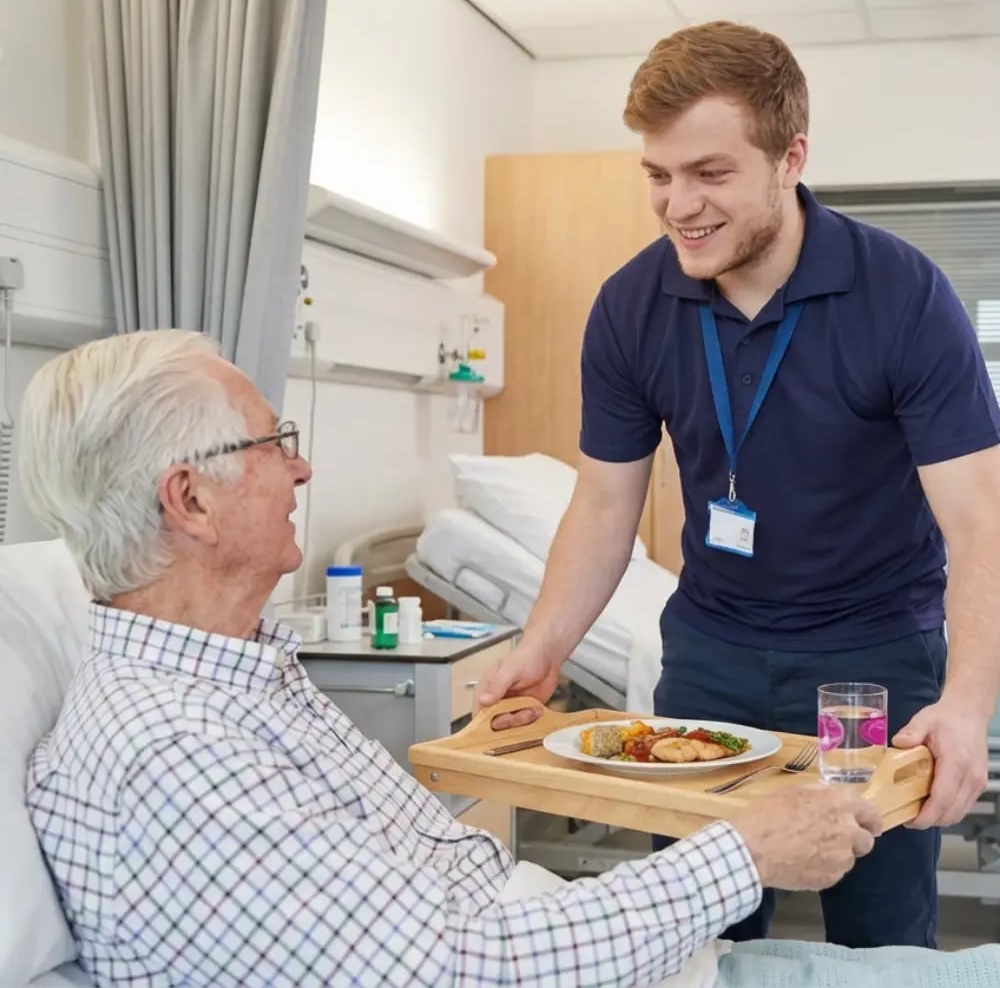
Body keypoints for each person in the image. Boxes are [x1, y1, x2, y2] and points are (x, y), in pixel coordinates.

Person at [20, 330, 885, 987]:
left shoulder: (242, 682)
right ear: (191, 500)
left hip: (611, 949)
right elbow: (461, 972)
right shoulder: (176, 753)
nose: (302, 467)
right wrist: (742, 854)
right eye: (271, 444)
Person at [473, 20, 1000, 951]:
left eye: (710, 173)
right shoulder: (631, 306)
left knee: (879, 942)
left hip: (870, 663)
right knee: (698, 929)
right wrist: (542, 647)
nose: (679, 205)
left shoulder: (903, 296)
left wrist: (965, 705)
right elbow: (604, 503)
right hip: (710, 653)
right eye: (659, 175)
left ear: (790, 158)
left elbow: (979, 521)